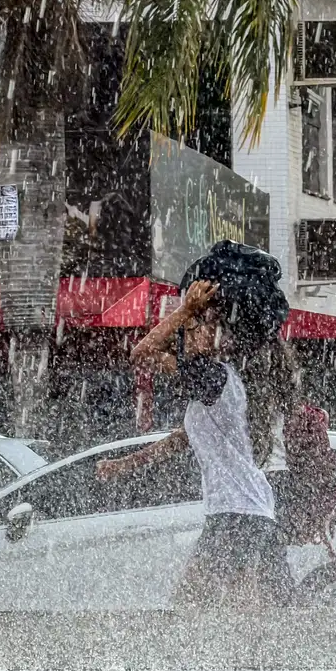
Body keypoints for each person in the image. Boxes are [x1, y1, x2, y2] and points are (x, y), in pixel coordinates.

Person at [96, 241, 298, 609]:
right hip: (248, 510)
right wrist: (124, 465)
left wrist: (186, 309)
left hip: (238, 512)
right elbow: (181, 440)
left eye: (198, 329)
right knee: (247, 607)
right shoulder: (216, 383)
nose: (189, 335)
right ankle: (251, 661)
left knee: (194, 604)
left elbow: (141, 353)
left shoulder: (213, 378)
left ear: (218, 335)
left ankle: (214, 662)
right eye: (190, 330)